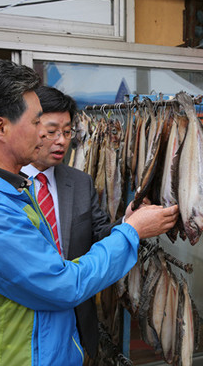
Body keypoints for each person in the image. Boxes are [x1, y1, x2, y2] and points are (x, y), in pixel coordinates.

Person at [0, 59, 178, 366]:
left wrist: (126, 223)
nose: (48, 136)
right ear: (0, 127)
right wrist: (132, 232)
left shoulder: (8, 189)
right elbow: (63, 285)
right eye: (37, 124)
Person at [20, 86, 122, 360]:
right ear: (28, 127)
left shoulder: (79, 181)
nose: (61, 141)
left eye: (67, 132)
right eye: (52, 131)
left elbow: (99, 233)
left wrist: (131, 224)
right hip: (22, 326)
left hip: (75, 320)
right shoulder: (4, 184)